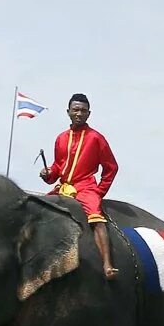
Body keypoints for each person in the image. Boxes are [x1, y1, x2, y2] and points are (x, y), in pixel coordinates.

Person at [39, 93, 120, 280]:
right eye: (75, 110)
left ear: (89, 114)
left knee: (96, 219)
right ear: (68, 111)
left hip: (87, 187)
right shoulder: (61, 138)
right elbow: (59, 167)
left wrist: (99, 191)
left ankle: (107, 264)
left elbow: (111, 167)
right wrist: (48, 173)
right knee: (38, 209)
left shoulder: (96, 138)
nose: (79, 113)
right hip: (63, 187)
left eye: (83, 111)